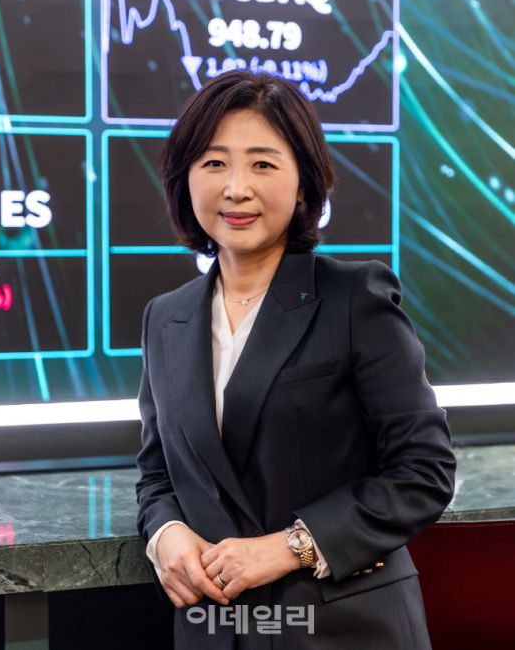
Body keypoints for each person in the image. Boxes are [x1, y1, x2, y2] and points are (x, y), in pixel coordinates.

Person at [135, 70, 456, 650]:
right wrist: (166, 534)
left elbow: (423, 472)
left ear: (304, 184)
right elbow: (158, 475)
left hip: (342, 629)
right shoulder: (165, 318)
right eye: (214, 163)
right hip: (215, 629)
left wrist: (290, 546)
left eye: (262, 163)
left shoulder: (355, 298)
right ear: (185, 180)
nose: (236, 188)